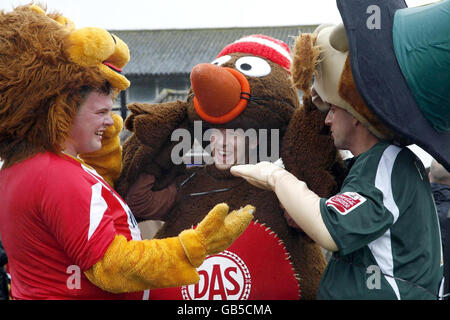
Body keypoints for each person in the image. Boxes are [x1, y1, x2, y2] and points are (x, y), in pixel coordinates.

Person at [0, 5, 253, 300]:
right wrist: (196, 245)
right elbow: (113, 265)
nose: (111, 121)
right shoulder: (56, 176)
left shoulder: (19, 168)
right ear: (65, 111)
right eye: (101, 112)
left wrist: (101, 148)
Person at [231, 4, 447, 298]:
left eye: (333, 109)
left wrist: (276, 178)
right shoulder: (380, 162)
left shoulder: (385, 163)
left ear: (355, 114)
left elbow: (330, 228)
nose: (327, 119)